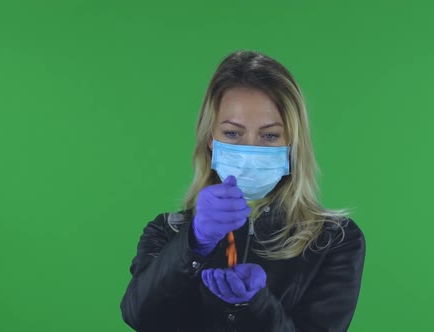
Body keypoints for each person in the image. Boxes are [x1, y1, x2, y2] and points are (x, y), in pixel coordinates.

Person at [120, 50, 366, 331]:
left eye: (270, 135)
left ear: (293, 145)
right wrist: (195, 242)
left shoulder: (333, 241)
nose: (250, 150)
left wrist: (257, 303)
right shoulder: (168, 231)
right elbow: (139, 315)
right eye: (233, 133)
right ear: (210, 139)